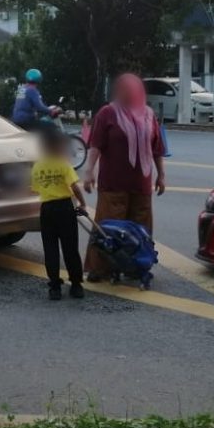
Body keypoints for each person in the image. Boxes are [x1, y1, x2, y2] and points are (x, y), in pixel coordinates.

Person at [82, 73, 165, 278]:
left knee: (141, 229)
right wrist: (89, 171)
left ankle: (136, 266)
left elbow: (156, 149)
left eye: (133, 88)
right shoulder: (107, 113)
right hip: (113, 183)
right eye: (124, 88)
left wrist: (161, 174)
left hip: (141, 184)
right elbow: (96, 145)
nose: (128, 92)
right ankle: (99, 268)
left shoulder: (148, 114)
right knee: (108, 227)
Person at [31, 130, 89, 300]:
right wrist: (82, 203)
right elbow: (75, 187)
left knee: (51, 249)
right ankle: (76, 285)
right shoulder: (63, 164)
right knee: (70, 248)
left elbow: (37, 190)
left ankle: (54, 287)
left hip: (47, 210)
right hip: (64, 208)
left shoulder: (37, 166)